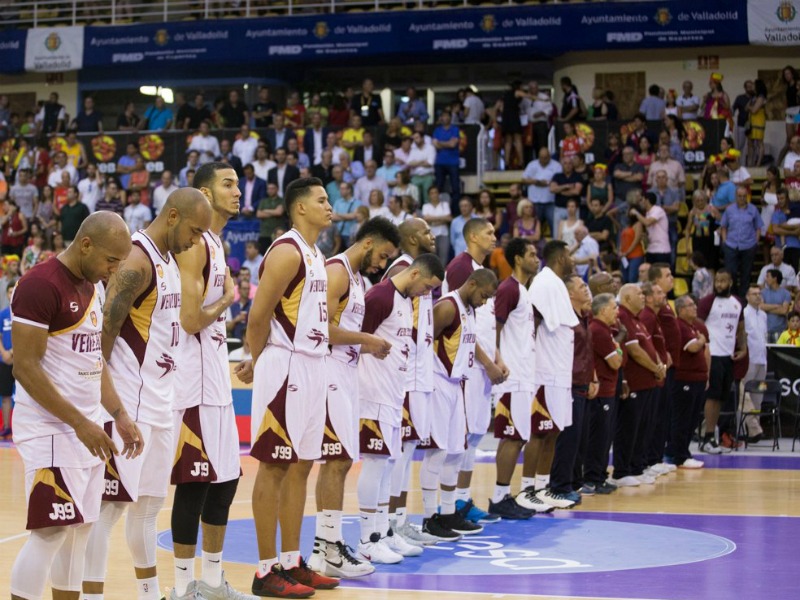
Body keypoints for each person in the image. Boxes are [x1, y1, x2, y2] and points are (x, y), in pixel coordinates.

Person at [81, 188, 212, 600]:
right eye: (194, 230)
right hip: (128, 402)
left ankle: (150, 592)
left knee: (149, 507)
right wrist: (107, 404)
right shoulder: (137, 259)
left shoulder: (170, 260)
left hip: (160, 400)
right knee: (108, 509)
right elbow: (105, 332)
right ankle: (91, 596)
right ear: (172, 216)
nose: (196, 240)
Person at [10, 212, 141, 600]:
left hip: (86, 428)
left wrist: (119, 414)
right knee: (50, 533)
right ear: (86, 244)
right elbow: (25, 367)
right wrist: (80, 423)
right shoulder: (39, 284)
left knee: (79, 532)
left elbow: (93, 363)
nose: (115, 269)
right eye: (111, 260)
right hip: (50, 428)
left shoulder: (92, 286)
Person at [246, 178, 341, 597]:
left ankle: (290, 561)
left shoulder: (316, 253)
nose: (329, 206)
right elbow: (257, 316)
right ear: (300, 208)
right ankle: (265, 570)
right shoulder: (286, 251)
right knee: (274, 466)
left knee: (302, 467)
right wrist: (257, 358)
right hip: (286, 367)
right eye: (321, 200)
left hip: (314, 365)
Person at [355, 253, 444, 563]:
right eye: (428, 287)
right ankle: (367, 539)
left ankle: (383, 532)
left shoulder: (406, 301)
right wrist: (372, 347)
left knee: (389, 465)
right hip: (372, 393)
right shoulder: (380, 296)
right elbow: (350, 339)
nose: (428, 294)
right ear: (415, 272)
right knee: (376, 464)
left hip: (394, 394)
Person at [421, 268, 504, 540]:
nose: (485, 301)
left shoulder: (470, 309)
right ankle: (428, 517)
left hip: (457, 383)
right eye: (483, 295)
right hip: (438, 382)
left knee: (457, 450)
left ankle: (447, 513)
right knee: (438, 451)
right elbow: (421, 344)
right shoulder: (446, 307)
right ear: (471, 283)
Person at [440, 218, 506, 522]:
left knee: (476, 435)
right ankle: (448, 504)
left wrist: (497, 356)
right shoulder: (460, 268)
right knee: (462, 436)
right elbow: (461, 324)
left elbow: (484, 325)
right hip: (466, 365)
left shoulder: (483, 274)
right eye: (489, 232)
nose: (494, 236)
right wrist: (488, 361)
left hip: (482, 364)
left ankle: (463, 500)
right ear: (472, 236)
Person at [381, 220, 441, 547]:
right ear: (415, 237)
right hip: (404, 377)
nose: (433, 237)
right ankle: (388, 526)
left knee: (407, 453)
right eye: (428, 232)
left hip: (419, 375)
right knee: (397, 455)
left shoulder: (419, 272)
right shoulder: (402, 270)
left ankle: (399, 522)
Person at [521, 240, 579, 507]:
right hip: (544, 372)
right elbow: (532, 321)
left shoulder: (556, 283)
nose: (573, 260)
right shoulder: (544, 282)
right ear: (559, 257)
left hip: (560, 373)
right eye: (570, 255)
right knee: (539, 432)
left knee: (554, 431)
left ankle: (544, 489)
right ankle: (526, 490)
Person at [490, 238, 543, 518]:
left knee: (516, 437)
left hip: (523, 376)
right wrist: (497, 362)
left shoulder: (523, 290)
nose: (537, 259)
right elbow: (494, 327)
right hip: (511, 378)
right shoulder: (509, 289)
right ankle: (499, 497)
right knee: (512, 438)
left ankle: (502, 495)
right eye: (533, 254)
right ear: (519, 259)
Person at [610, 284, 665, 487]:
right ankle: (621, 471)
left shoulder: (638, 319)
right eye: (639, 294)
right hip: (635, 382)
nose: (643, 296)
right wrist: (656, 368)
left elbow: (648, 346)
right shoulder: (623, 316)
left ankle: (637, 467)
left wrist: (659, 366)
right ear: (626, 298)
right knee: (629, 428)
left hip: (648, 382)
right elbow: (634, 350)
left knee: (643, 427)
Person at [697, 270, 746, 454]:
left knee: (721, 398)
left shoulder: (737, 303)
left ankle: (713, 436)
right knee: (712, 396)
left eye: (723, 281)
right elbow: (697, 325)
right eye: (717, 281)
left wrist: (743, 348)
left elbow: (741, 328)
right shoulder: (708, 302)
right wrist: (704, 348)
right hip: (713, 354)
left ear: (731, 282)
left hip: (727, 356)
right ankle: (707, 437)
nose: (719, 284)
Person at [584, 293, 625, 490]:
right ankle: (593, 478)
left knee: (604, 436)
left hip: (607, 390)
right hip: (601, 391)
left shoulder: (604, 330)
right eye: (614, 307)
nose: (618, 311)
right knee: (598, 438)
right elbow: (616, 362)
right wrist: (618, 349)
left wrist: (616, 348)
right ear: (603, 310)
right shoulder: (599, 330)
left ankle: (599, 475)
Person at [666, 295, 709, 469]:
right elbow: (692, 347)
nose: (695, 307)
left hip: (697, 378)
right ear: (681, 309)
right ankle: (680, 455)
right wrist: (701, 340)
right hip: (685, 379)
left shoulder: (692, 326)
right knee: (682, 418)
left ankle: (677, 450)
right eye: (691, 305)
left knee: (691, 418)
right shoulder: (680, 326)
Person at [719, 186, 763, 298]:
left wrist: (756, 242)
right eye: (739, 196)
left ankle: (743, 299)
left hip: (748, 246)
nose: (742, 198)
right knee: (731, 272)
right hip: (731, 245)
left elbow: (758, 227)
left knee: (746, 274)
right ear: (736, 196)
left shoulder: (753, 209)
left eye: (744, 196)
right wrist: (724, 241)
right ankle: (732, 296)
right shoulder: (729, 209)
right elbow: (723, 226)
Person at [741, 286, 767, 442]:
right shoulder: (744, 314)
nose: (757, 296)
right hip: (749, 361)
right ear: (747, 296)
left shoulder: (763, 315)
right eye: (754, 294)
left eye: (759, 294)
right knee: (746, 395)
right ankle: (744, 429)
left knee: (758, 396)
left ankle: (755, 430)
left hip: (762, 361)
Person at [523, 148, 562, 237]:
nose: (544, 160)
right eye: (542, 157)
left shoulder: (556, 166)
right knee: (533, 227)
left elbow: (559, 181)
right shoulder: (532, 165)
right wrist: (537, 182)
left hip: (550, 202)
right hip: (534, 202)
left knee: (554, 226)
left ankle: (554, 245)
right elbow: (524, 179)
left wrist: (548, 183)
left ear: (549, 157)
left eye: (546, 158)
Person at [433, 110, 461, 202]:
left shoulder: (455, 129)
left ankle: (456, 210)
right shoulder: (437, 130)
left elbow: (453, 144)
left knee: (455, 187)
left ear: (450, 117)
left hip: (453, 162)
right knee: (438, 186)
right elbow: (435, 145)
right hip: (440, 162)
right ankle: (437, 208)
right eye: (443, 116)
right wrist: (448, 143)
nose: (445, 118)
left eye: (446, 116)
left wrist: (440, 143)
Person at [421, 186, 452, 266]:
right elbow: (425, 219)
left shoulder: (444, 204)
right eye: (432, 193)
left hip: (443, 234)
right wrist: (442, 218)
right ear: (429, 195)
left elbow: (448, 218)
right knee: (432, 257)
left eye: (436, 192)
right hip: (431, 235)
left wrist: (432, 219)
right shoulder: (426, 206)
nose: (434, 195)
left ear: (439, 194)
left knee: (443, 257)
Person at [0, 281, 15, 437]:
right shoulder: (2, 314)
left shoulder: (22, 313)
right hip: (4, 360)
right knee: (5, 395)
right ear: (6, 294)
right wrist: (4, 352)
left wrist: (13, 352)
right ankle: (6, 426)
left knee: (23, 396)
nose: (11, 295)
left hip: (20, 361)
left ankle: (20, 428)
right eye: (9, 292)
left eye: (13, 292)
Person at [761, 269, 792, 342]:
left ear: (775, 278)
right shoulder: (763, 292)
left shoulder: (786, 293)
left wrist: (767, 308)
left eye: (768, 276)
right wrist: (777, 306)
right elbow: (761, 307)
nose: (766, 279)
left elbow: (784, 311)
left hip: (780, 331)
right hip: (765, 330)